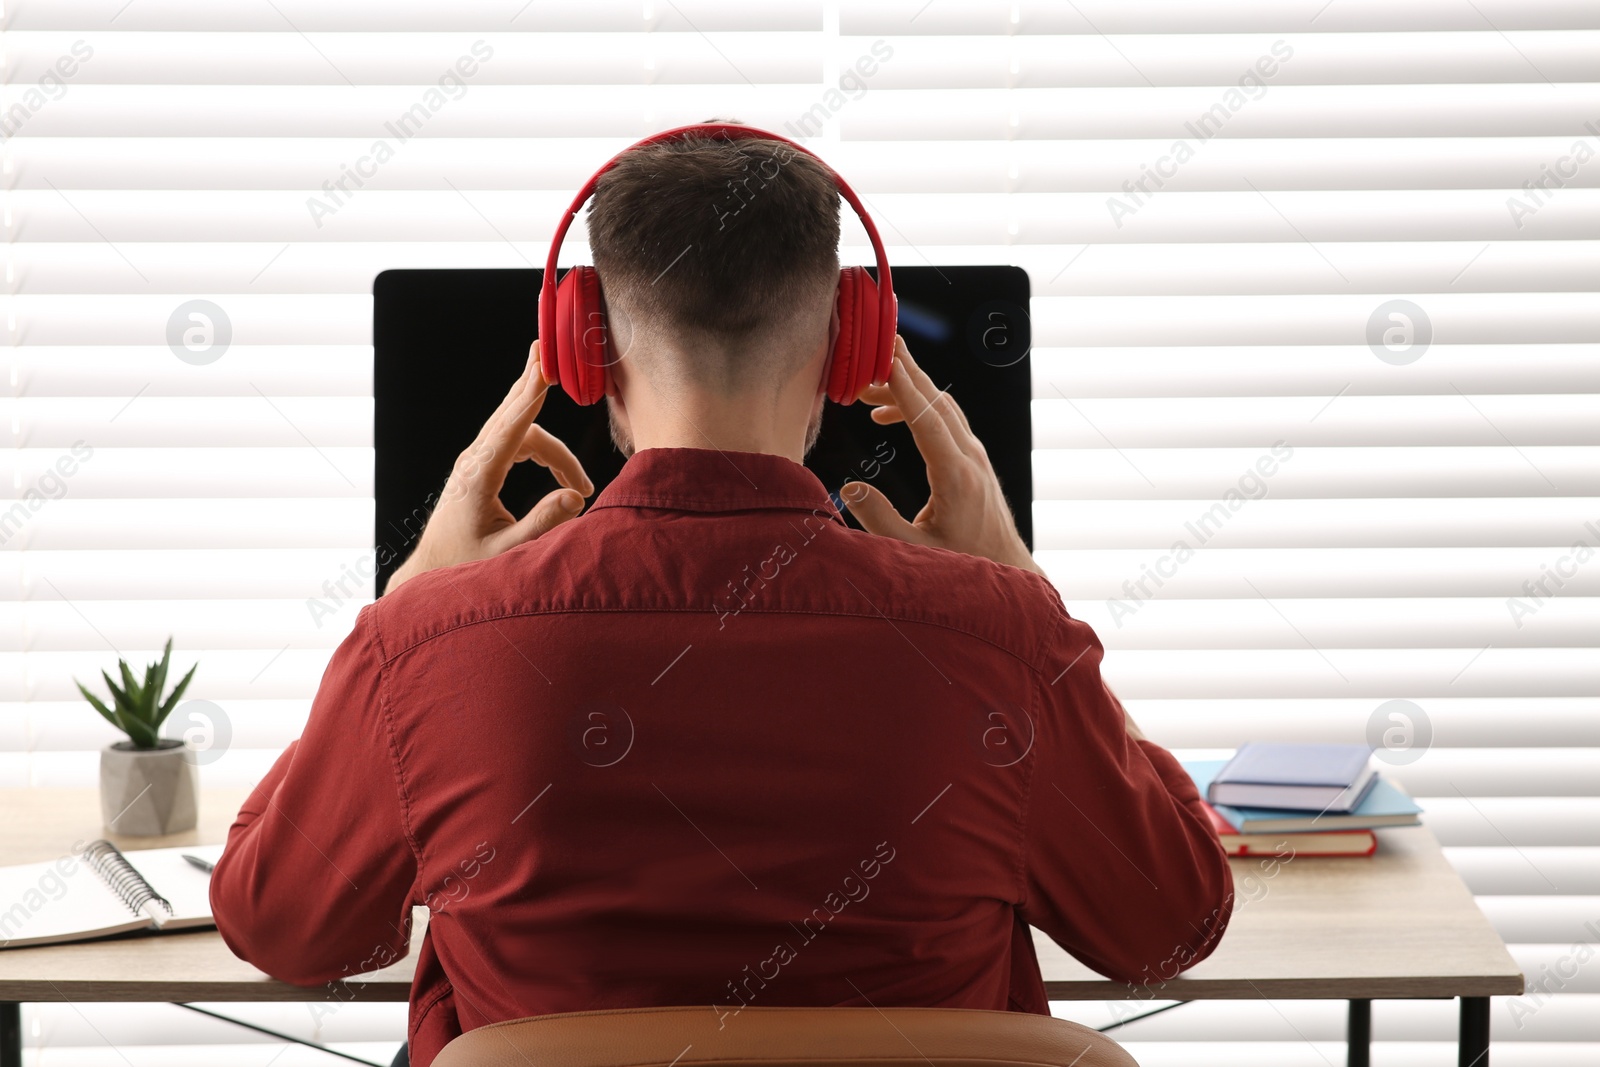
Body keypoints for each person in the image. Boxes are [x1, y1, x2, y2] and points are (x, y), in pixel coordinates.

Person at [210, 129, 1232, 1067]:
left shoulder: (430, 642)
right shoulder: (997, 634)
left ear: (586, 350)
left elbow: (286, 925)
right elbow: (1168, 925)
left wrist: (412, 602)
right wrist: (1021, 589)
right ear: (848, 348)